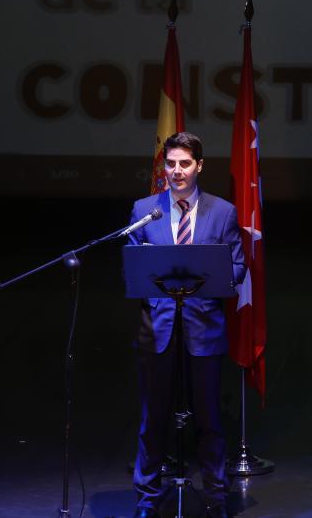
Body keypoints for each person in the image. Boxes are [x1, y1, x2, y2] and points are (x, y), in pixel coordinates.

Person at [126, 132, 246, 518]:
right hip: (157, 327)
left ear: (199, 166)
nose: (176, 171)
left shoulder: (222, 212)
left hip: (203, 326)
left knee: (209, 418)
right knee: (153, 418)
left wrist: (206, 281)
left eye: (184, 164)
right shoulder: (145, 209)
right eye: (170, 164)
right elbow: (132, 266)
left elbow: (237, 267)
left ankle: (216, 497)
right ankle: (147, 498)